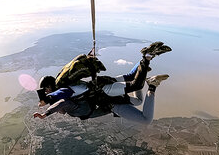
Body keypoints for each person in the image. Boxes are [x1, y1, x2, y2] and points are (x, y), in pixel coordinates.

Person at [33, 41, 171, 125]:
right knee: (136, 94)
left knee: (138, 90)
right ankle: (145, 68)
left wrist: (46, 111)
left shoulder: (65, 93)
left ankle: (147, 61)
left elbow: (60, 101)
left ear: (49, 88)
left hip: (108, 96)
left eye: (47, 90)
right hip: (103, 86)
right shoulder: (69, 89)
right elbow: (61, 101)